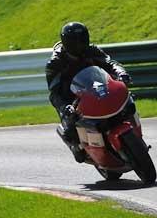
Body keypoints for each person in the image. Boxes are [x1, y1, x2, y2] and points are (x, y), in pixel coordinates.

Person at [46, 22, 131, 162]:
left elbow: (110, 63)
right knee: (71, 127)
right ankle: (77, 146)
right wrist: (65, 107)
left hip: (96, 86)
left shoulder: (92, 50)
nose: (79, 45)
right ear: (67, 42)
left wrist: (121, 73)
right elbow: (54, 92)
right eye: (75, 42)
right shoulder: (55, 62)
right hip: (71, 97)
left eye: (82, 40)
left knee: (127, 99)